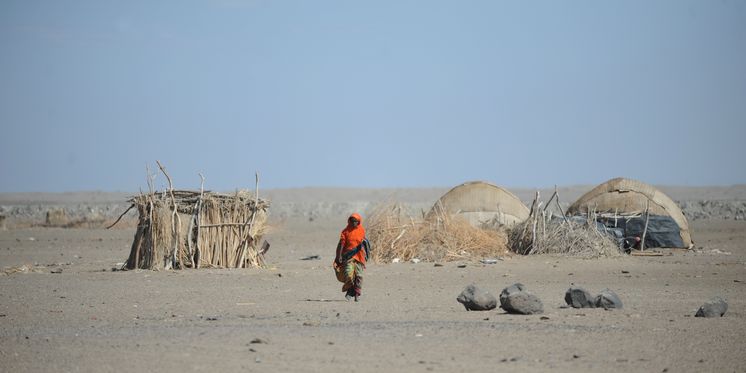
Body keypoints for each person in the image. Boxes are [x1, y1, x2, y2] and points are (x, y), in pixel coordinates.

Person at [334, 213, 367, 302]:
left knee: (359, 276)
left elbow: (365, 243)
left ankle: (357, 293)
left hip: (359, 256)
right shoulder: (345, 231)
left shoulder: (362, 230)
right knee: (349, 274)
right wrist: (339, 256)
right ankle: (350, 290)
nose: (354, 223)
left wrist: (366, 254)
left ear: (359, 222)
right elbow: (341, 244)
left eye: (356, 221)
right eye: (352, 221)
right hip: (348, 256)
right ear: (349, 221)